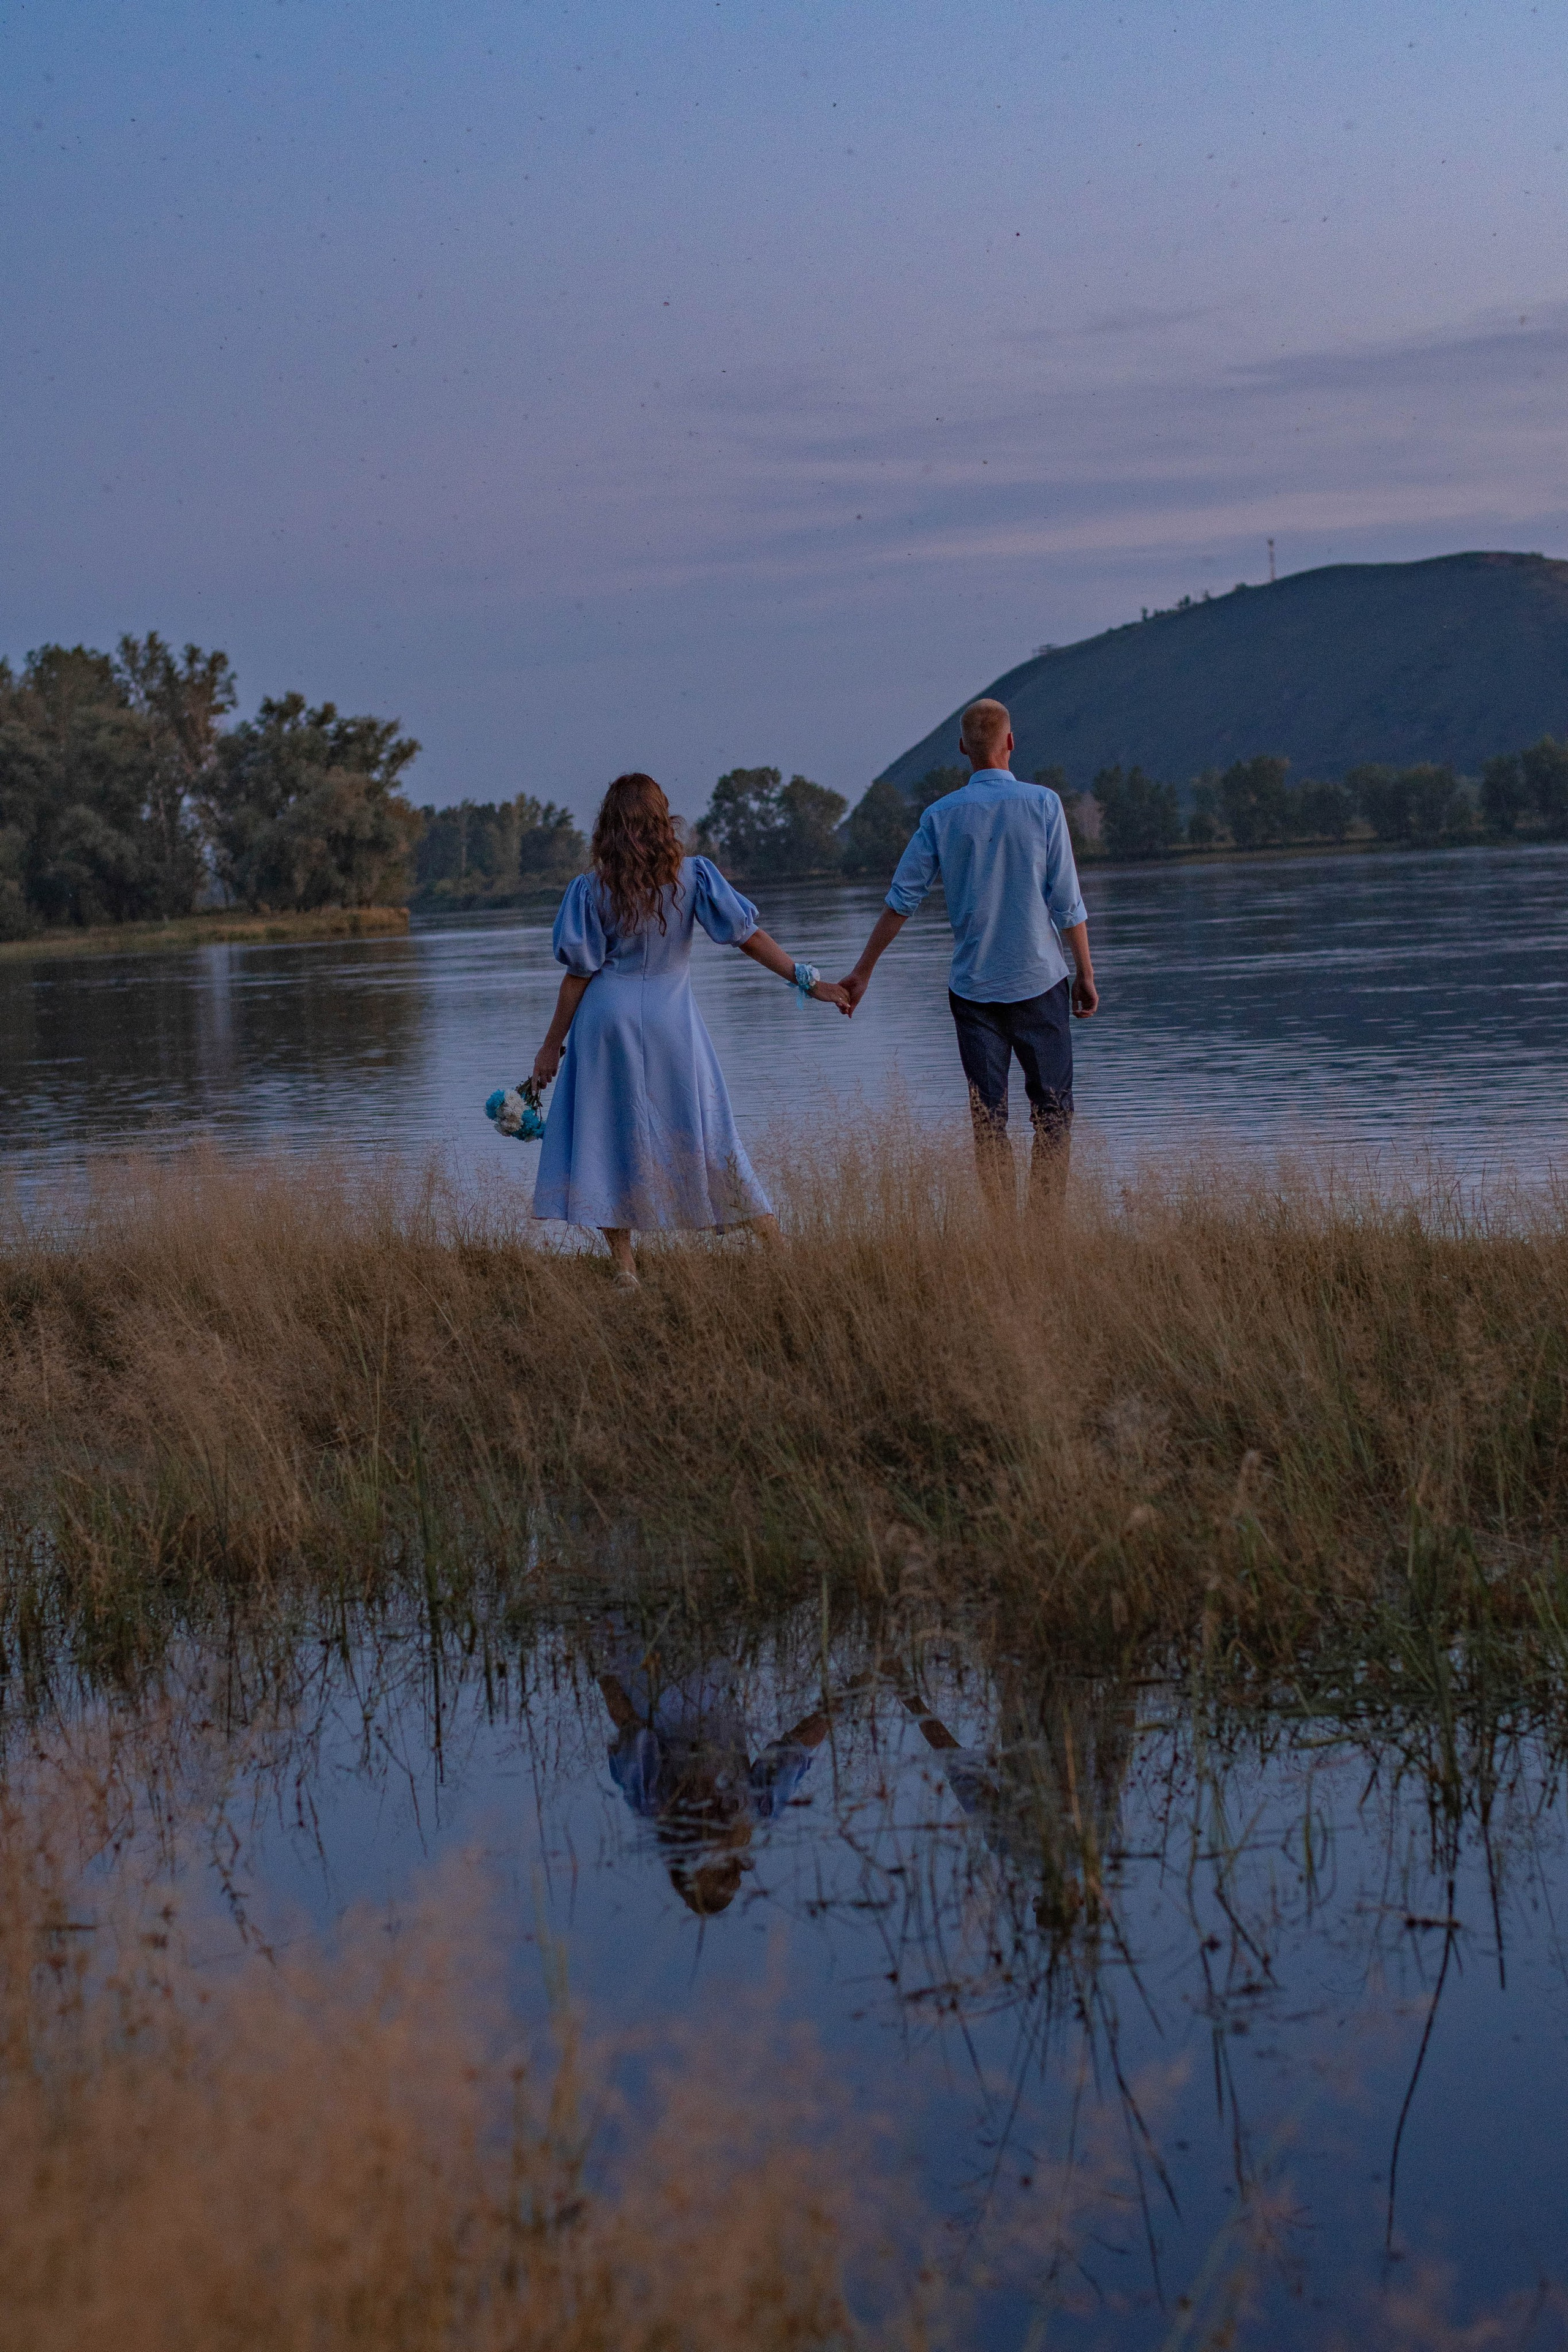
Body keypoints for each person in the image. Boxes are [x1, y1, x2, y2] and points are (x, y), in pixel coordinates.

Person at [530, 771, 850, 1284]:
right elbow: (748, 937)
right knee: (709, 1131)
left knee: (607, 1136)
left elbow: (578, 975)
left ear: (608, 825)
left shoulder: (590, 889)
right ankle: (778, 1246)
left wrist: (550, 1047)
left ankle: (626, 1269)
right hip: (672, 1022)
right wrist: (808, 981)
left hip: (604, 1023)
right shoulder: (694, 876)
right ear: (663, 819)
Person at [839, 698, 1098, 1204]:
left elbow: (901, 901)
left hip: (974, 992)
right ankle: (1045, 1230)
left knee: (988, 1119)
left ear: (963, 748)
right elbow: (1067, 902)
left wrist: (863, 971)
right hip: (1041, 983)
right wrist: (1085, 973)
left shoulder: (940, 816)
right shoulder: (1044, 804)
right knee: (1053, 1113)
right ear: (1010, 742)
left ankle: (1001, 1233)